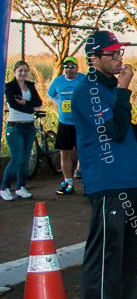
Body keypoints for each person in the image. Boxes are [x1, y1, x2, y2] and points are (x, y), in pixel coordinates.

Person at [71, 31, 137, 299]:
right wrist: (124, 90)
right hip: (107, 185)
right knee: (105, 256)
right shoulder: (86, 91)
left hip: (128, 182)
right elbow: (112, 130)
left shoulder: (110, 89)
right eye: (112, 54)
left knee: (130, 256)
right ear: (94, 59)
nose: (120, 59)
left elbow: (126, 134)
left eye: (120, 52)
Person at [2, 60, 41, 200]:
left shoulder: (30, 85)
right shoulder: (10, 87)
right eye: (20, 71)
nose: (23, 73)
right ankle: (5, 187)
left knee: (25, 159)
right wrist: (30, 108)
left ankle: (20, 187)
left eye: (25, 71)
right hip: (15, 127)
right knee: (17, 158)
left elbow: (39, 102)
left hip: (29, 127)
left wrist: (26, 103)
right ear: (14, 72)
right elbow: (13, 105)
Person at [49, 57, 85, 195]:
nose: (69, 69)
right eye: (66, 67)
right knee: (65, 153)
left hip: (81, 123)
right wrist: (59, 103)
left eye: (72, 66)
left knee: (84, 151)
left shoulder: (83, 79)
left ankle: (87, 183)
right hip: (65, 123)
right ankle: (68, 183)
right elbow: (50, 94)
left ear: (77, 67)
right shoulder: (58, 81)